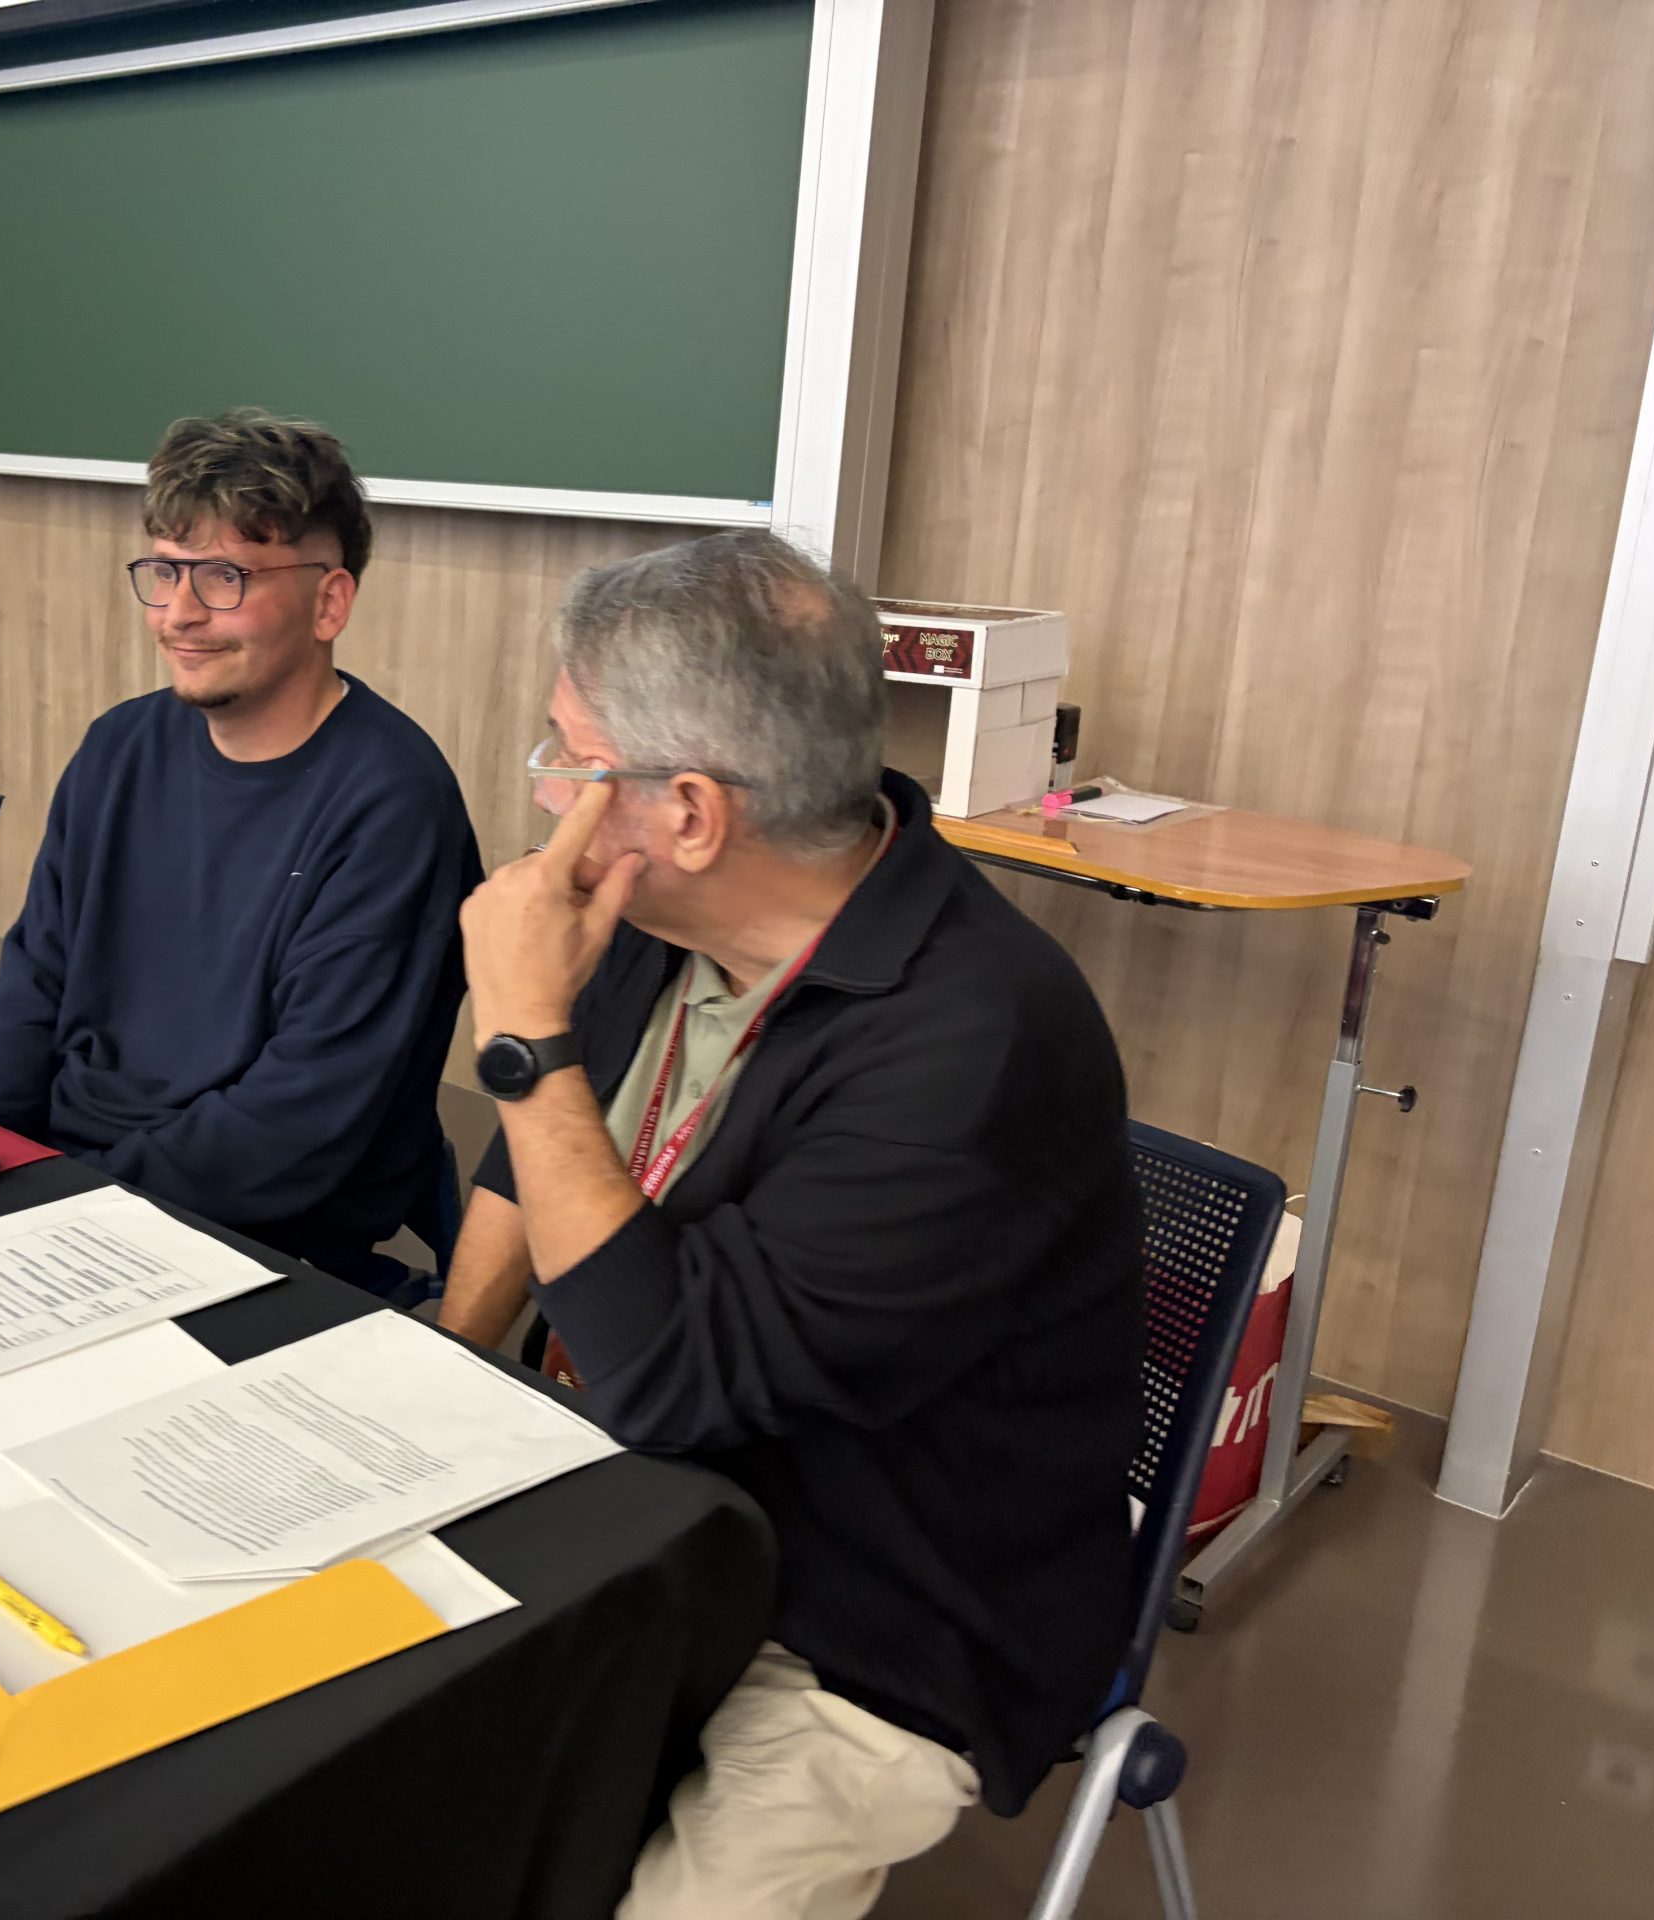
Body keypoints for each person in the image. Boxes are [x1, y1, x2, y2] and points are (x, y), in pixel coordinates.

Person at [441, 529, 1141, 1919]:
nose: (544, 788)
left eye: (568, 755)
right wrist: (446, 1370)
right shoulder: (657, 918)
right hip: (642, 1494)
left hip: (878, 1617)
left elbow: (669, 1374)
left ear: (691, 814)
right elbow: (540, 1172)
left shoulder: (977, 1039)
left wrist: (523, 1038)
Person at [0, 408, 481, 1284]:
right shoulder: (119, 747)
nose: (180, 615)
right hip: (75, 1180)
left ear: (329, 602)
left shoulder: (393, 803)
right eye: (165, 572)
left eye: (227, 576)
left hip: (258, 1230)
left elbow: (298, 1120)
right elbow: (33, 994)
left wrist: (74, 1213)